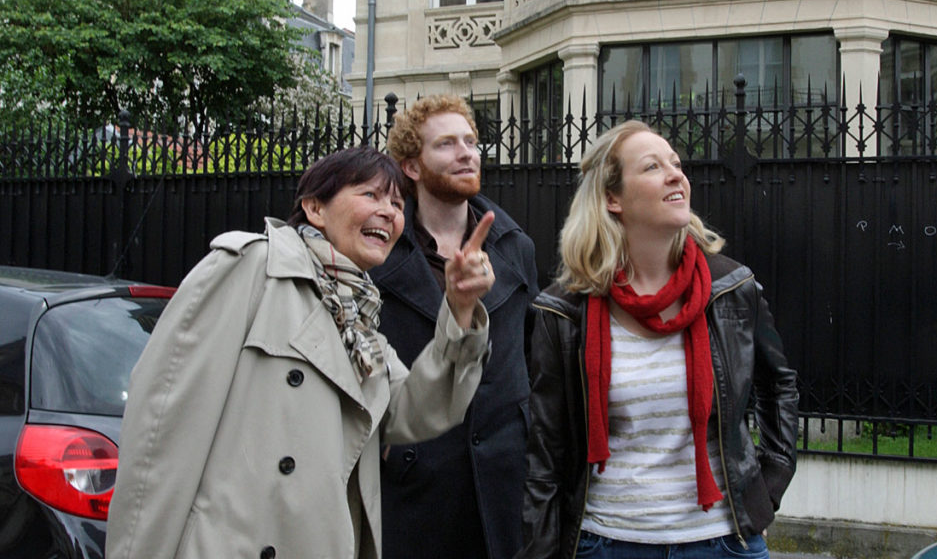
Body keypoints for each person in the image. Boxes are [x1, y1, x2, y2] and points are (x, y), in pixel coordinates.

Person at [107, 146, 496, 559]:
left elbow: (416, 411)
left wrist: (459, 308)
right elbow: (163, 422)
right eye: (370, 195)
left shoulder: (361, 324)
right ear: (315, 208)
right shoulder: (254, 267)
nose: (389, 212)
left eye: (398, 203)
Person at [518, 120, 799, 559]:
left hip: (724, 542)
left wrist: (770, 480)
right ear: (612, 199)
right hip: (607, 543)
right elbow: (546, 454)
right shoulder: (563, 312)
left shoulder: (732, 289)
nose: (676, 175)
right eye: (652, 167)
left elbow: (778, 384)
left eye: (676, 164)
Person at [370, 94, 539, 559]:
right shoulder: (378, 256)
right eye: (445, 144)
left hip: (503, 484)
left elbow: (532, 360)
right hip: (413, 483)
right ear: (412, 166)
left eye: (470, 141)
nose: (466, 152)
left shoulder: (515, 246)